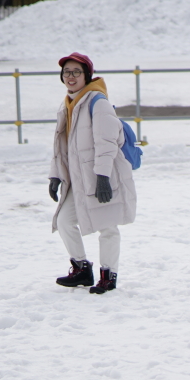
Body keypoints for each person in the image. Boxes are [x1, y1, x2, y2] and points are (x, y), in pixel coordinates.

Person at [48, 52, 137, 295]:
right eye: (67, 72)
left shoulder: (98, 102)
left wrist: (103, 176)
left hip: (101, 176)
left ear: (87, 75)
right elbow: (61, 147)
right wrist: (55, 175)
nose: (71, 76)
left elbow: (107, 143)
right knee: (64, 221)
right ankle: (81, 269)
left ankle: (109, 275)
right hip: (78, 179)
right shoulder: (68, 103)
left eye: (76, 71)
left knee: (107, 226)